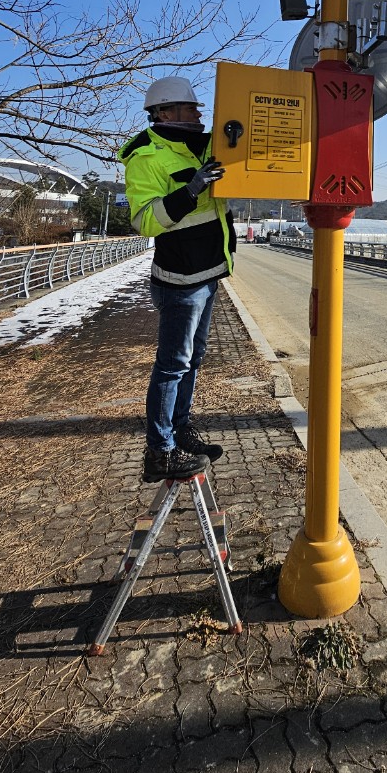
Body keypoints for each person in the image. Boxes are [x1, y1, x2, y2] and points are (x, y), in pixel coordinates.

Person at [119, 76, 237, 482]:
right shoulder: (146, 157)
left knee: (193, 361)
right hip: (180, 279)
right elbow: (145, 221)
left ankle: (181, 429)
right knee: (172, 365)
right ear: (165, 113)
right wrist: (190, 191)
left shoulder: (204, 146)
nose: (199, 113)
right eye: (191, 108)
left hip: (208, 274)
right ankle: (160, 451)